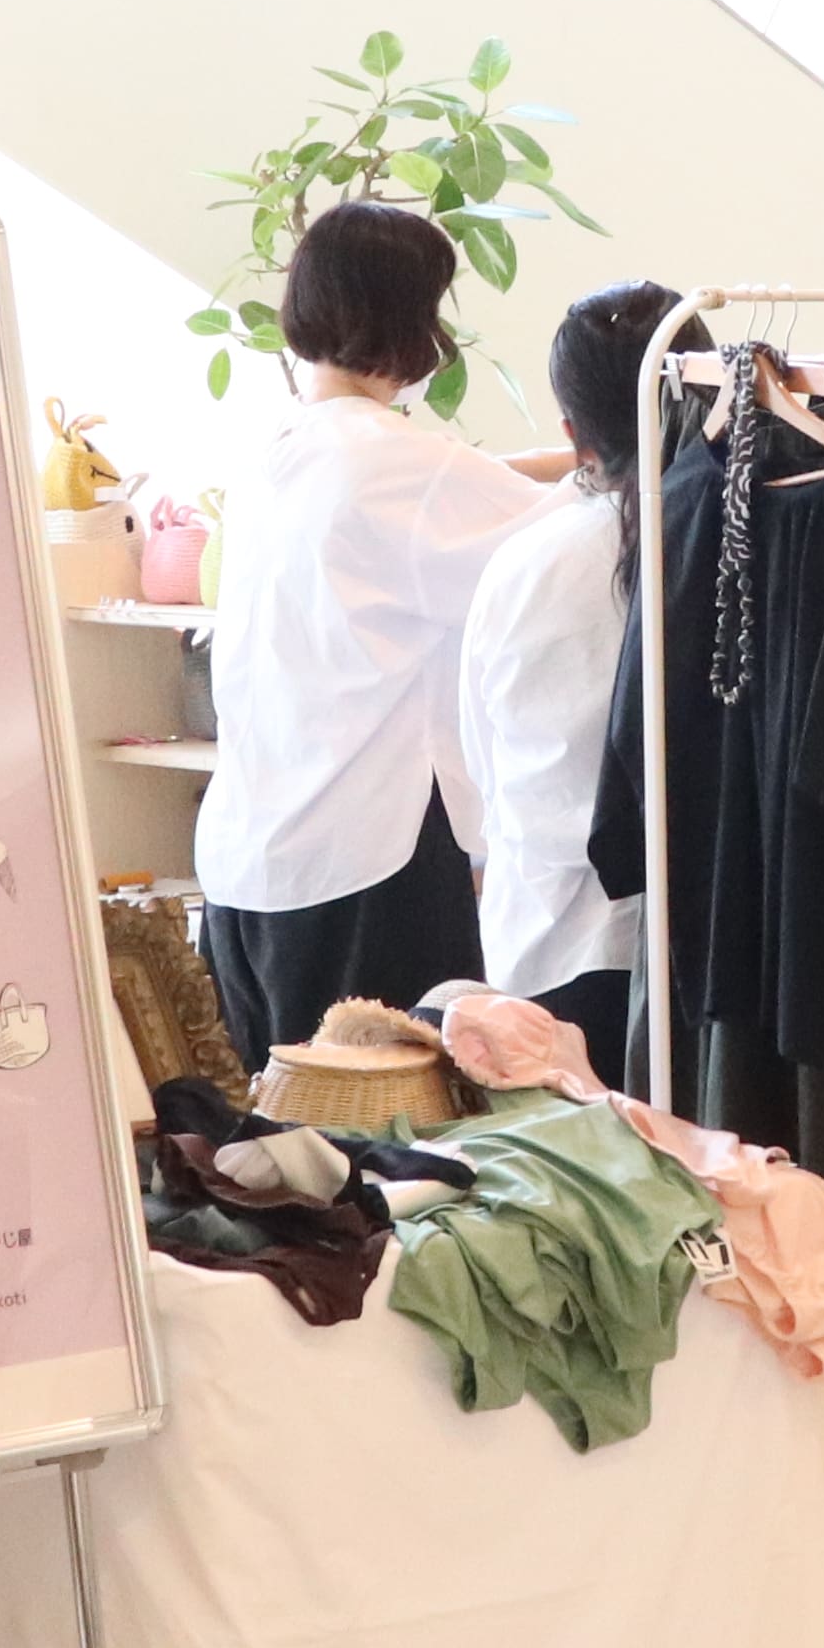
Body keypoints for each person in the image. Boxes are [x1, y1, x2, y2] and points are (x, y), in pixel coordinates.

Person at [190, 202, 570, 1062]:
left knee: (285, 1129)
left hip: (248, 859)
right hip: (362, 856)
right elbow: (552, 535)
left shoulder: (279, 451)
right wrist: (636, 454)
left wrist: (571, 457)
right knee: (400, 1127)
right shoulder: (401, 466)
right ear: (409, 316)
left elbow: (472, 483)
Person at [460, 277, 678, 1090]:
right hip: (688, 950)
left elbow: (482, 764)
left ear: (572, 433)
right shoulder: (740, 549)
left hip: (544, 944)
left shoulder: (522, 564)